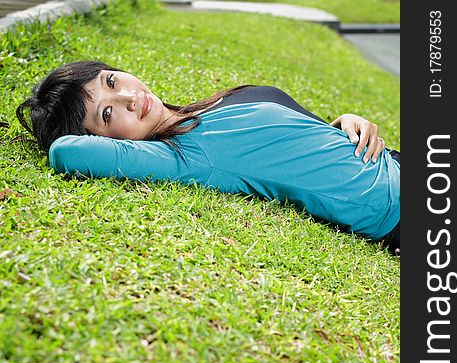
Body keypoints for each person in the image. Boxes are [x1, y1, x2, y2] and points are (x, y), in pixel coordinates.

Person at [16, 61, 400, 252]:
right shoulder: (185, 157)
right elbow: (67, 151)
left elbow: (293, 143)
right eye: (107, 113)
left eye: (111, 82)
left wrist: (341, 122)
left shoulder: (208, 109)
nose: (129, 99)